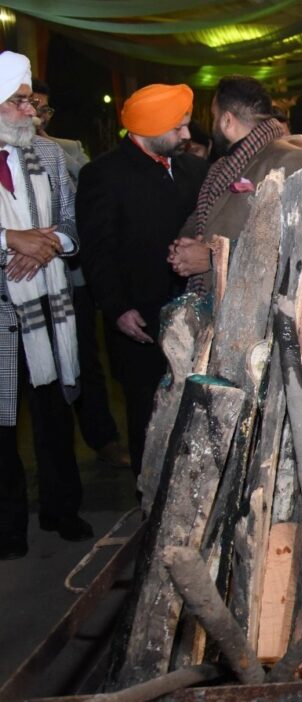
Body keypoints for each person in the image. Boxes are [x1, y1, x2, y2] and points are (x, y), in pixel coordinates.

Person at [76, 83, 208, 478]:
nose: (187, 135)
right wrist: (117, 308)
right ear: (148, 127)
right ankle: (147, 497)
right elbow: (97, 250)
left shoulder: (194, 169)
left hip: (197, 312)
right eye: (177, 128)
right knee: (148, 418)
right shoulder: (103, 174)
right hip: (141, 323)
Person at [0, 51, 92, 559]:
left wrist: (48, 243)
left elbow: (73, 222)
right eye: (18, 102)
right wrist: (9, 240)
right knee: (2, 427)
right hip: (2, 314)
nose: (29, 111)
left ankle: (62, 509)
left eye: (31, 102)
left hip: (49, 308)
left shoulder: (51, 155)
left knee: (55, 416)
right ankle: (8, 526)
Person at [33, 78, 130, 470]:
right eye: (30, 105)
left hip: (69, 276)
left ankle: (102, 437)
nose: (37, 115)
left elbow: (87, 196)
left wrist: (50, 147)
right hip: (22, 283)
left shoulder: (67, 148)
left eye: (43, 109)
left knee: (84, 358)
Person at [167, 75, 302, 290]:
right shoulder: (222, 166)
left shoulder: (292, 159)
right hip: (216, 296)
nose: (213, 124)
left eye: (214, 116)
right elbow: (201, 216)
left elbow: (295, 245)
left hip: (256, 300)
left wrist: (213, 258)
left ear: (227, 121)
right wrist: (184, 247)